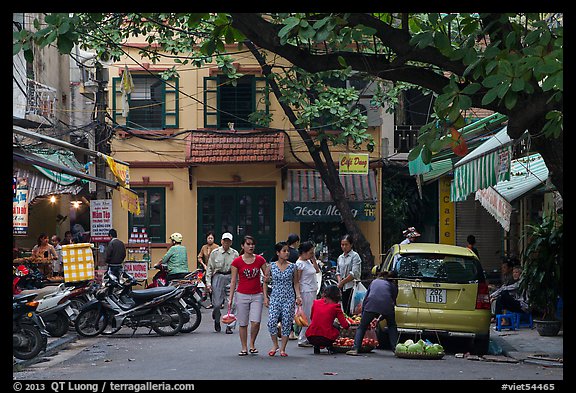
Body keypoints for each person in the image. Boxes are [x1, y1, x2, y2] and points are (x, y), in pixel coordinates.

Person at [228, 235, 268, 356]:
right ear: (242, 246)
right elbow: (234, 280)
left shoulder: (260, 260)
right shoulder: (237, 262)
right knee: (243, 323)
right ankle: (244, 347)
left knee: (256, 322)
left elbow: (266, 277)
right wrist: (230, 298)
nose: (251, 246)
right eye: (248, 244)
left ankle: (252, 343)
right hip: (242, 294)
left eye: (252, 244)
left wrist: (266, 292)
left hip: (257, 294)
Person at [346, 268, 399, 356]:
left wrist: (363, 314)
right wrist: (382, 317)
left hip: (370, 305)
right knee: (392, 326)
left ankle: (355, 348)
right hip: (387, 307)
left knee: (362, 327)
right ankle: (395, 349)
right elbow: (391, 300)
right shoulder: (393, 286)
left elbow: (367, 298)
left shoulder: (374, 282)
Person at [264, 242, 301, 357]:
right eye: (284, 251)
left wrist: (298, 296)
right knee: (271, 322)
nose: (287, 253)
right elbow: (265, 282)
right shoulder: (271, 266)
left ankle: (283, 348)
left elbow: (296, 283)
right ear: (278, 253)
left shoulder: (293, 266)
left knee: (286, 322)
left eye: (287, 251)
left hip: (289, 297)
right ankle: (275, 344)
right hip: (275, 297)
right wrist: (265, 297)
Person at [206, 232, 239, 333]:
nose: (226, 243)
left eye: (228, 241)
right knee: (216, 304)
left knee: (233, 304)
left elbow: (238, 268)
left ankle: (230, 325)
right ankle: (217, 319)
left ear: (231, 242)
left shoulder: (235, 253)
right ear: (221, 241)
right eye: (224, 241)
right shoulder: (215, 253)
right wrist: (208, 283)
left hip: (231, 277)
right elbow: (209, 268)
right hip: (218, 277)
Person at [305, 285, 350, 355]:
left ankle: (316, 346)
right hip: (326, 337)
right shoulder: (336, 307)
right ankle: (330, 346)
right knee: (336, 325)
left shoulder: (316, 303)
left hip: (310, 336)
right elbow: (345, 325)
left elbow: (312, 317)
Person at [295, 240, 320, 347]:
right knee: (307, 315)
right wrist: (298, 295)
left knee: (311, 314)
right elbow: (297, 280)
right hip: (305, 291)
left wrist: (313, 259)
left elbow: (317, 270)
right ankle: (302, 338)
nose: (311, 254)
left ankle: (307, 336)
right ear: (304, 252)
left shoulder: (308, 261)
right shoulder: (299, 264)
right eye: (310, 252)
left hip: (312, 290)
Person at [336, 234, 362, 316]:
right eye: (342, 245)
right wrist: (340, 281)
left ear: (351, 245)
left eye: (346, 244)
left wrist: (342, 282)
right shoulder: (340, 257)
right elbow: (338, 272)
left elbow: (354, 273)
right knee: (345, 308)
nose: (344, 247)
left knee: (352, 309)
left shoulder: (355, 256)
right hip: (343, 287)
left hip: (352, 286)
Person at [197, 231, 219, 308]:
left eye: (211, 238)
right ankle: (211, 301)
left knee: (215, 285)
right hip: (206, 268)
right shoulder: (204, 247)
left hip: (215, 269)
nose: (210, 239)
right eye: (208, 238)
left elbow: (219, 259)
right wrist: (203, 265)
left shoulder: (217, 247)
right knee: (206, 283)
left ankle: (220, 302)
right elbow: (199, 257)